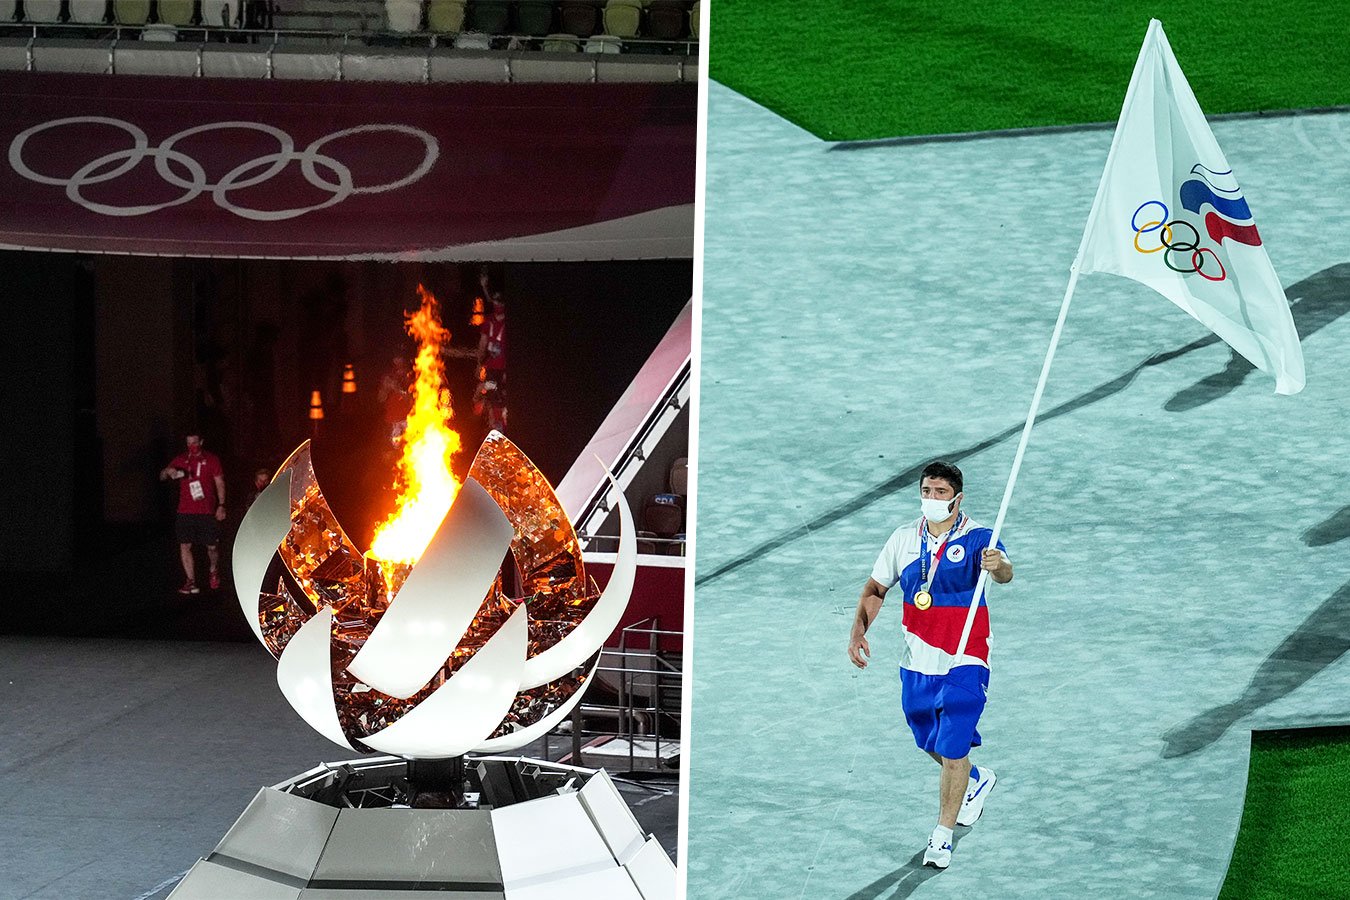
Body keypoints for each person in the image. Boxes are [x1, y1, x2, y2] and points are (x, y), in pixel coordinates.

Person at [847, 460, 1013, 870]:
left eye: (940, 493)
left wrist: (1000, 566)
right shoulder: (904, 539)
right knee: (929, 740)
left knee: (953, 746)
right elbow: (875, 588)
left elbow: (1005, 573)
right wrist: (857, 632)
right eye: (927, 491)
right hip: (918, 658)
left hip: (965, 657)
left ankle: (941, 836)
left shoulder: (979, 539)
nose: (932, 499)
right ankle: (976, 779)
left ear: (958, 497)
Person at [159, 434, 227, 594]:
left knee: (211, 547)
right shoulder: (181, 459)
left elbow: (219, 482)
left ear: (201, 442)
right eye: (188, 443)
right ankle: (191, 581)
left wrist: (221, 505)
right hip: (185, 511)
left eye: (195, 442)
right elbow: (162, 476)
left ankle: (213, 569)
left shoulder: (211, 459)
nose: (192, 446)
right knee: (185, 545)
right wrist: (168, 471)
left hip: (206, 510)